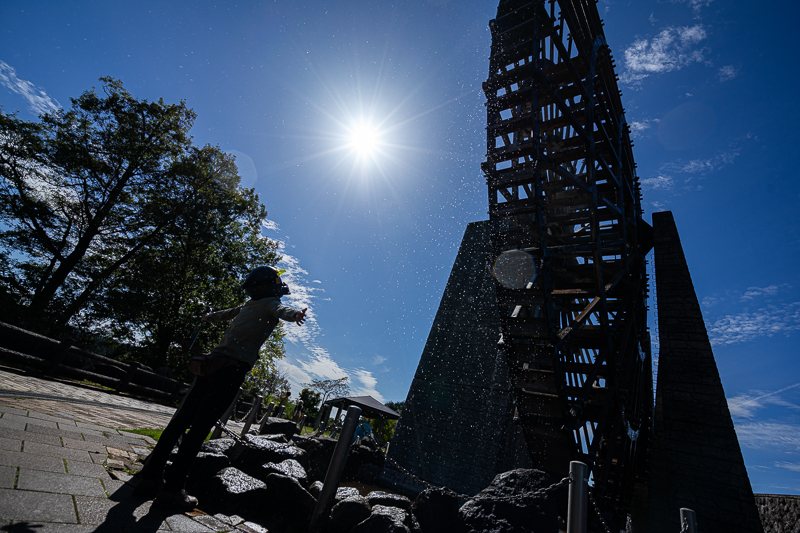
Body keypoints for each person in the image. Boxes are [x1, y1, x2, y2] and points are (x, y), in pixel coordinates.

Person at [134, 265, 307, 509]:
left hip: (211, 364)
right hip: (231, 371)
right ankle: (172, 491)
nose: (279, 289)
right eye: (277, 284)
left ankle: (149, 479)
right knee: (200, 428)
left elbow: (225, 313)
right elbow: (281, 309)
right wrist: (295, 315)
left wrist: (208, 316)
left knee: (181, 420)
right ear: (269, 286)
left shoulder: (249, 304)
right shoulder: (269, 302)